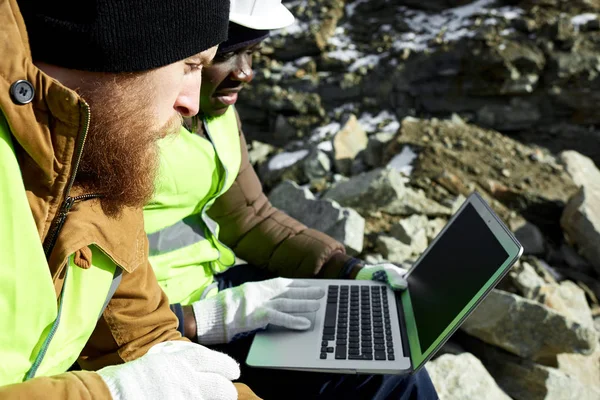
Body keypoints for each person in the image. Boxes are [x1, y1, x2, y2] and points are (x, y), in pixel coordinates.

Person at [143, 1, 439, 398]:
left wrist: (346, 269)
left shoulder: (217, 115)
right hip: (167, 320)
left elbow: (249, 216)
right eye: (228, 55)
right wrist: (195, 318)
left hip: (218, 289)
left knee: (374, 336)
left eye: (253, 54)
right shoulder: (133, 128)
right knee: (383, 377)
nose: (245, 73)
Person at [0, 0, 261, 399]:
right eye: (190, 65)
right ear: (122, 43)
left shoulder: (101, 151)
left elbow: (143, 337)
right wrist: (106, 394)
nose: (191, 103)